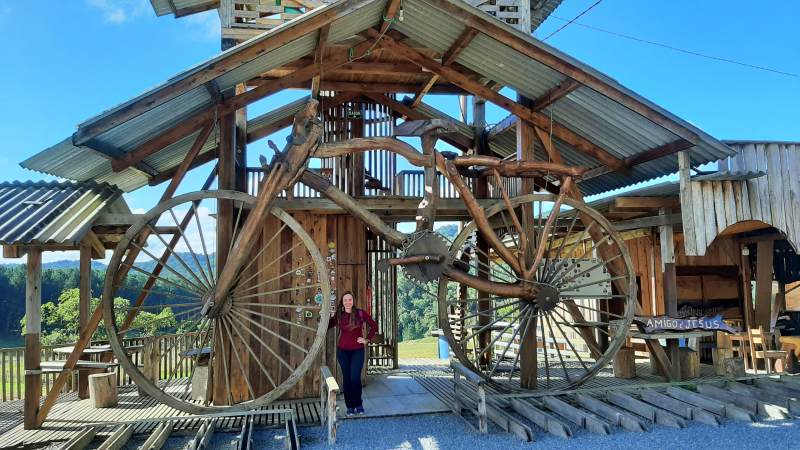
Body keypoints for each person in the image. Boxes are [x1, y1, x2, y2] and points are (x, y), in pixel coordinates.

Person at [329, 291, 377, 416]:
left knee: (355, 378)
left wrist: (366, 339)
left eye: (350, 299)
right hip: (342, 351)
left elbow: (374, 326)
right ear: (342, 302)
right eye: (345, 300)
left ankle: (358, 404)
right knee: (347, 379)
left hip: (357, 351)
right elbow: (328, 325)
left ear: (353, 301)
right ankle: (349, 406)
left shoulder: (360, 313)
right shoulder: (339, 315)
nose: (348, 302)